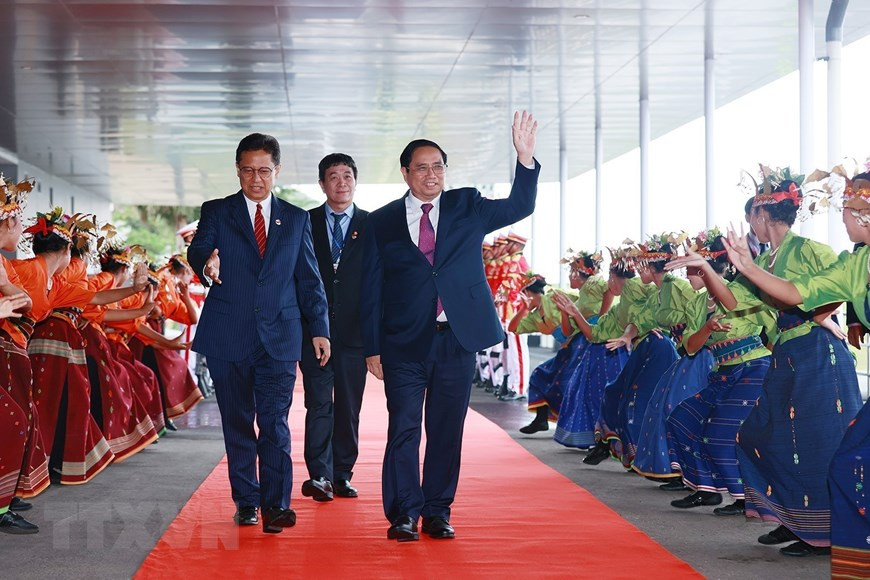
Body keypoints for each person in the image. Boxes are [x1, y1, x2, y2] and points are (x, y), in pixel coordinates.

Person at [361, 111, 539, 542]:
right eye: (421, 167)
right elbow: (370, 288)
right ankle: (404, 512)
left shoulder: (467, 205)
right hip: (402, 343)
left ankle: (438, 510)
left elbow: (520, 206)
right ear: (405, 172)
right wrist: (371, 346)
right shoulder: (380, 221)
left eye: (438, 166)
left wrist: (525, 158)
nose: (431, 174)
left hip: (456, 340)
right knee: (403, 428)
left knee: (446, 429)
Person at [715, 164, 870, 570]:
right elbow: (767, 297)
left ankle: (824, 532)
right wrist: (745, 267)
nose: (841, 218)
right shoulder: (775, 259)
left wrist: (826, 316)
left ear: (763, 215)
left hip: (817, 356)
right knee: (765, 436)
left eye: (846, 211)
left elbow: (823, 289)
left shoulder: (807, 249)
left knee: (823, 448)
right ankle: (798, 518)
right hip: (786, 353)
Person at [187, 133, 330, 534]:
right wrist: (207, 263)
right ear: (237, 170)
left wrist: (319, 329)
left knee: (275, 423)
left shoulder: (296, 218)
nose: (256, 178)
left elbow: (309, 280)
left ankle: (276, 505)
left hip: (281, 338)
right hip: (228, 334)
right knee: (237, 422)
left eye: (264, 170)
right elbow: (198, 250)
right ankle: (246, 501)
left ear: (277, 170)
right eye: (248, 170)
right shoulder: (217, 211)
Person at [298, 153, 369, 502]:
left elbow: (377, 283)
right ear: (322, 183)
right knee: (319, 402)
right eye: (333, 177)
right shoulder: (303, 222)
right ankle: (320, 476)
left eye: (347, 176)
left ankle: (342, 474)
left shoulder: (372, 225)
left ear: (356, 181)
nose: (341, 183)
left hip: (356, 334)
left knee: (349, 406)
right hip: (315, 333)